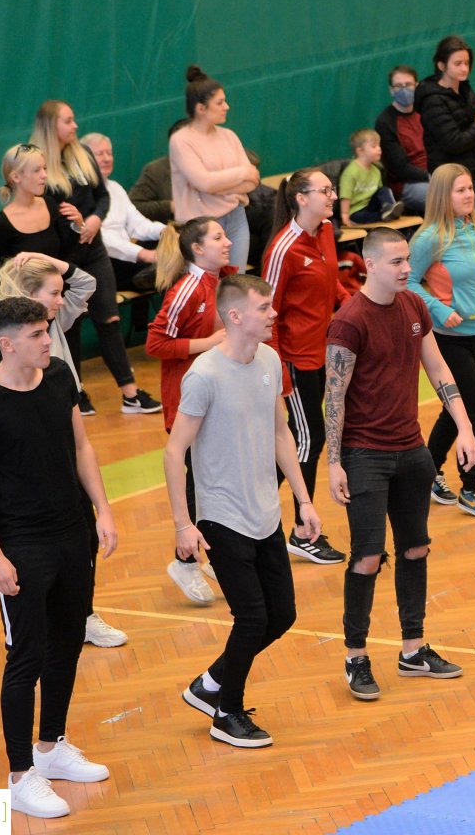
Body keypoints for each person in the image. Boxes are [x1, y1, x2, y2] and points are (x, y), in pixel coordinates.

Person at [0, 295, 117, 819]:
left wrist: (103, 510)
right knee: (25, 658)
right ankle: (20, 773)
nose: (49, 340)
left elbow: (82, 448)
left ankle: (51, 748)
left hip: (72, 534)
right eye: (37, 335)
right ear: (7, 344)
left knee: (68, 642)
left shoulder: (58, 378)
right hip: (21, 545)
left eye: (47, 331)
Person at [166, 273, 318, 749]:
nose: (274, 313)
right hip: (220, 516)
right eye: (264, 307)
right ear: (235, 316)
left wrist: (304, 500)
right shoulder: (204, 376)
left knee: (283, 615)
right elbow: (174, 453)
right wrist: (183, 525)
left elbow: (280, 433)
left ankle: (210, 683)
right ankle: (225, 711)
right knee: (251, 618)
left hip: (265, 512)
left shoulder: (270, 360)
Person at [324, 227, 475, 701]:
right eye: (395, 262)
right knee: (368, 557)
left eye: (407, 259)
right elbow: (334, 398)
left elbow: (437, 368)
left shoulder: (413, 306)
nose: (406, 268)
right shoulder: (349, 320)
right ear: (369, 264)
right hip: (364, 454)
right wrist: (333, 463)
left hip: (411, 451)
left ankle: (413, 649)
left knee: (416, 549)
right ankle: (356, 656)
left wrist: (464, 426)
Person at [0, 253, 125, 651]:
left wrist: (51, 262)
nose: (62, 300)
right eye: (53, 293)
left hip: (65, 442)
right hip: (36, 464)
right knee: (47, 549)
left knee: (83, 537)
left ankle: (80, 614)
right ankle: (56, 618)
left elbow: (87, 285)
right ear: (29, 297)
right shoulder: (5, 351)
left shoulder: (52, 325)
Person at [31, 101, 159, 414]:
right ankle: (76, 391)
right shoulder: (38, 163)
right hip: (62, 257)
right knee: (69, 324)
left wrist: (93, 221)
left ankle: (130, 393)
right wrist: (73, 221)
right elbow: (43, 210)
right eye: (68, 121)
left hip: (94, 249)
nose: (75, 126)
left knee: (109, 318)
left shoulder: (82, 154)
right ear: (51, 126)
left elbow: (102, 197)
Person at [263, 169, 353, 564]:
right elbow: (267, 314)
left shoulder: (327, 231)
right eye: (324, 190)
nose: (332, 196)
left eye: (332, 190)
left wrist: (352, 307)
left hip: (322, 353)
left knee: (311, 439)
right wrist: (278, 371)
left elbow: (330, 281)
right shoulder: (283, 248)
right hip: (293, 360)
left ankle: (275, 518)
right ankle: (299, 529)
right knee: (308, 439)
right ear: (301, 198)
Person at [409, 164, 475, 516]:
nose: (468, 195)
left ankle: (427, 473)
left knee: (455, 412)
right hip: (446, 340)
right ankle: (471, 487)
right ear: (442, 196)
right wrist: (436, 308)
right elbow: (407, 282)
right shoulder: (429, 239)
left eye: (470, 189)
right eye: (460, 190)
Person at [145, 216, 233, 605]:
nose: (227, 242)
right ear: (197, 248)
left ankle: (209, 551)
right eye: (218, 237)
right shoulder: (186, 289)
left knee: (214, 483)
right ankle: (183, 560)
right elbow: (155, 344)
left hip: (218, 400)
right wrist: (207, 343)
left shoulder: (224, 280)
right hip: (186, 403)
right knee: (199, 485)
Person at [0, 146, 79, 376]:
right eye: (37, 170)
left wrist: (77, 227)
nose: (44, 175)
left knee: (66, 369)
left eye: (45, 168)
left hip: (57, 303)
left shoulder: (50, 205)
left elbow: (64, 256)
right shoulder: (1, 225)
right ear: (16, 177)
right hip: (25, 318)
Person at [413, 36, 475, 237]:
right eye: (458, 63)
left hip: (471, 170)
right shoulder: (432, 100)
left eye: (467, 63)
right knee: (463, 232)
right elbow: (453, 142)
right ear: (441, 65)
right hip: (449, 176)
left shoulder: (464, 88)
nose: (464, 68)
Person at [170, 66, 257, 267]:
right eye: (219, 102)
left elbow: (252, 181)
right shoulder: (181, 140)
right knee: (209, 287)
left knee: (235, 283)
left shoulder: (229, 136)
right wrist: (242, 172)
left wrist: (218, 184)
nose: (226, 106)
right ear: (201, 108)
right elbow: (205, 182)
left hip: (236, 218)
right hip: (201, 227)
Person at [81, 134, 164, 294]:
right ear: (84, 160)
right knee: (165, 268)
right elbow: (101, 239)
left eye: (109, 153)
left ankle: (158, 272)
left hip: (128, 256)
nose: (107, 159)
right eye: (100, 154)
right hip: (103, 261)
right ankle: (158, 273)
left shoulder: (115, 188)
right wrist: (142, 254)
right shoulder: (80, 193)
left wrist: (166, 232)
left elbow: (139, 225)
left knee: (172, 244)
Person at [375, 65, 433, 216]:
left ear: (417, 86)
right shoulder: (385, 121)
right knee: (446, 197)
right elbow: (399, 168)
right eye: (398, 86)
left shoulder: (426, 111)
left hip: (436, 175)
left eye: (408, 85)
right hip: (407, 184)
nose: (404, 89)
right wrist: (432, 176)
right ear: (391, 90)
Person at [338, 130, 401, 226]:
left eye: (379, 146)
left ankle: (389, 209)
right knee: (366, 217)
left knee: (384, 190)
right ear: (360, 151)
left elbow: (379, 194)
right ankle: (386, 215)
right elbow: (345, 197)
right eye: (374, 146)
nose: (379, 149)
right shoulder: (351, 172)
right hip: (356, 212)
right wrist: (344, 215)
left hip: (371, 206)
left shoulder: (376, 170)